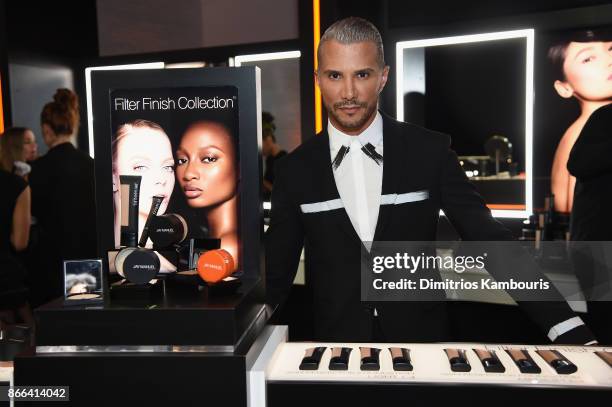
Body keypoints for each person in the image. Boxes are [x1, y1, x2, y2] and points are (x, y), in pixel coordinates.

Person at [265, 17, 596, 344]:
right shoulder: (296, 170)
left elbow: (491, 242)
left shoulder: (429, 151)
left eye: (362, 74)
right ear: (319, 79)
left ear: (383, 77)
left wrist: (567, 327)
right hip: (336, 350)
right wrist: (233, 338)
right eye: (335, 75)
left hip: (422, 346)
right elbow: (275, 275)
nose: (348, 92)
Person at [28, 89, 97, 306]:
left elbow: (33, 215)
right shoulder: (91, 165)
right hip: (86, 255)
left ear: (47, 129)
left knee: (54, 328)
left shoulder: (37, 169)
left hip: (49, 259)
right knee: (85, 316)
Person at [548, 30, 612, 213]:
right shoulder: (588, 131)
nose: (609, 61)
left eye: (611, 49)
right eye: (588, 59)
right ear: (564, 87)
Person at [175, 121, 240, 269]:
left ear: (239, 167)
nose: (189, 173)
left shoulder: (229, 248)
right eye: (182, 160)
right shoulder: (210, 237)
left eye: (209, 159)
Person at [112, 119, 176, 248]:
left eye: (168, 167)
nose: (161, 179)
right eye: (141, 167)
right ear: (112, 177)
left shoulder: (169, 264)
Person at [0, 128, 34, 329]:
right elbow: (20, 242)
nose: (34, 146)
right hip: (7, 277)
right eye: (28, 142)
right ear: (15, 148)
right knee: (28, 340)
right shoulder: (17, 185)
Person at [262, 112, 287, 201]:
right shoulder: (269, 159)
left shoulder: (283, 159)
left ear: (268, 139)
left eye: (261, 143)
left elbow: (282, 191)